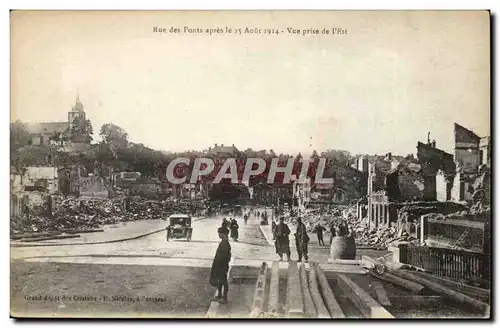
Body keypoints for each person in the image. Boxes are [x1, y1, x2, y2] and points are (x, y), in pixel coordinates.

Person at [210, 226, 231, 304]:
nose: (219, 234)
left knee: (224, 281)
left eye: (220, 233)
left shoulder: (225, 243)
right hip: (220, 265)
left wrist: (219, 265)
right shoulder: (224, 242)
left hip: (222, 265)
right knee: (219, 280)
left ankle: (225, 298)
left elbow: (225, 257)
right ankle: (219, 295)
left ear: (224, 234)